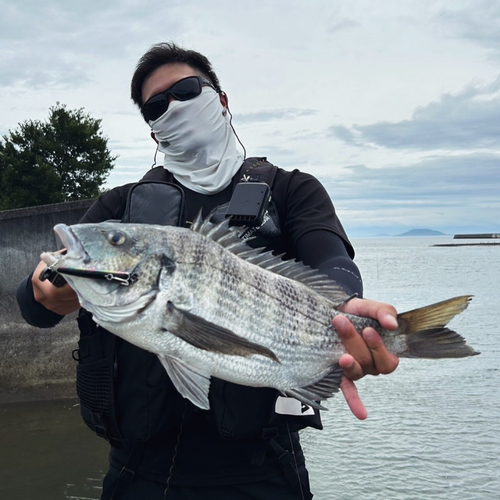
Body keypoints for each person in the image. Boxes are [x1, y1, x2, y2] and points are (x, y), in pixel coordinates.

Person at [17, 42, 399, 500]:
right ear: (154, 131)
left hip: (266, 472)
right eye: (156, 105)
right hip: (136, 473)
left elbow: (333, 261)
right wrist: (45, 291)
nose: (173, 106)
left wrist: (344, 309)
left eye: (186, 90)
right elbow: (35, 301)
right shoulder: (119, 208)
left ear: (221, 99)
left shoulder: (292, 190)